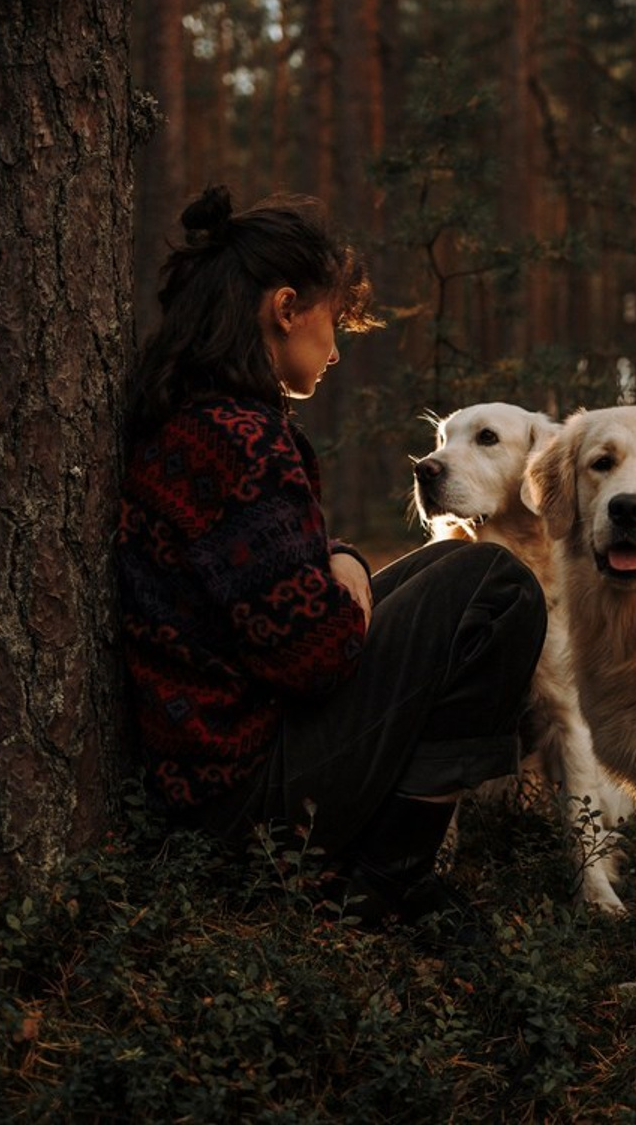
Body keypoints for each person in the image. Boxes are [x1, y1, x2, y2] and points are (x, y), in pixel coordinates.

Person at [116, 185, 547, 930]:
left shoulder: (202, 419)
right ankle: (383, 884)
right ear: (286, 309)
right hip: (244, 801)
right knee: (497, 586)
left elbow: (272, 571)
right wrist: (345, 575)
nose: (338, 347)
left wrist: (342, 557)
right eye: (334, 322)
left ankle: (394, 866)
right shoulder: (241, 438)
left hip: (215, 778)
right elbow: (314, 660)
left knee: (451, 569)